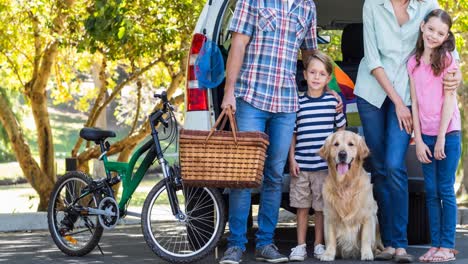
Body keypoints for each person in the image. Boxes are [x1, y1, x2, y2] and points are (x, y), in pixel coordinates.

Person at [218, 0, 336, 263]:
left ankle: (265, 244)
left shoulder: (308, 6)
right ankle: (236, 244)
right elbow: (237, 44)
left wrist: (325, 90)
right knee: (245, 175)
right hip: (251, 98)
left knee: (273, 175)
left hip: (286, 103)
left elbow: (310, 53)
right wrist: (229, 91)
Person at [354, 0, 462, 262]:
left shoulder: (427, 5)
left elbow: (446, 44)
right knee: (379, 167)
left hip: (408, 95)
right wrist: (398, 102)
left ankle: (401, 244)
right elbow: (372, 57)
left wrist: (456, 74)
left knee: (394, 164)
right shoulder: (373, 5)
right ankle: (389, 243)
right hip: (373, 92)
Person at [408, 9, 460, 263]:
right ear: (422, 27)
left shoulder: (448, 59)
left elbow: (449, 100)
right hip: (425, 137)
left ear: (446, 36)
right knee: (430, 191)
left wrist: (440, 138)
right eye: (430, 29)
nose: (434, 35)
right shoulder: (413, 62)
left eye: (440, 33)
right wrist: (418, 139)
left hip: (447, 135)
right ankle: (435, 244)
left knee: (445, 190)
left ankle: (448, 246)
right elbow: (414, 104)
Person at [288, 51, 346, 262]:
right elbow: (293, 134)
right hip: (301, 166)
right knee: (302, 207)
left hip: (324, 167)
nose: (316, 77)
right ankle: (300, 246)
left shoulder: (333, 103)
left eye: (321, 74)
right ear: (304, 74)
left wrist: (337, 160)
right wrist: (292, 159)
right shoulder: (298, 103)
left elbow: (341, 131)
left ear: (328, 79)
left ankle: (319, 244)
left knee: (321, 208)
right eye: (312, 72)